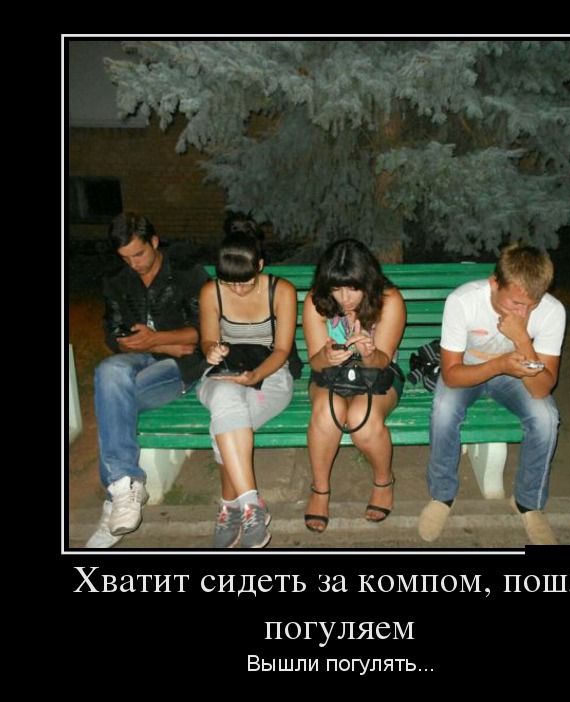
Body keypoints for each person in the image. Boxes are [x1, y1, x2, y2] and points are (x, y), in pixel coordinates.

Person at [418, 242, 566, 546]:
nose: (523, 312)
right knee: (444, 410)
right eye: (516, 303)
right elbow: (452, 375)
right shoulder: (463, 301)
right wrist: (498, 364)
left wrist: (522, 339)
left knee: (546, 418)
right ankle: (442, 496)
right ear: (494, 283)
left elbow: (541, 387)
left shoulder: (552, 311)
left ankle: (528, 503)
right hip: (469, 369)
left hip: (516, 375)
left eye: (531, 305)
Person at [86, 213, 209, 548]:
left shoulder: (186, 272)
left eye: (139, 254)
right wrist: (164, 343)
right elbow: (114, 336)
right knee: (108, 372)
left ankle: (115, 499)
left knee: (111, 401)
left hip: (180, 367)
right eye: (125, 258)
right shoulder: (117, 281)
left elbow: (204, 332)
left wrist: (157, 340)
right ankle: (125, 485)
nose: (134, 264)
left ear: (154, 241)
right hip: (148, 356)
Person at [197, 229, 297, 548]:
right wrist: (212, 350)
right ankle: (252, 505)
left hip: (271, 374)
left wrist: (255, 376)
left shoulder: (281, 291)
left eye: (246, 281)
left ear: (260, 266)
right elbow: (207, 340)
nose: (238, 289)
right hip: (223, 374)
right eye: (230, 283)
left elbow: (282, 351)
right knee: (227, 400)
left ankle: (230, 507)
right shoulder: (211, 292)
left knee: (223, 426)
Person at [303, 239, 406, 533]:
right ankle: (320, 489)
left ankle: (384, 481)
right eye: (336, 289)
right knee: (327, 412)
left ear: (367, 281)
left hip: (378, 374)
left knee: (363, 419)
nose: (345, 298)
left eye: (352, 288)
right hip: (331, 374)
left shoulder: (389, 300)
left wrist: (368, 353)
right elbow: (315, 362)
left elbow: (383, 360)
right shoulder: (316, 301)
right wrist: (327, 356)